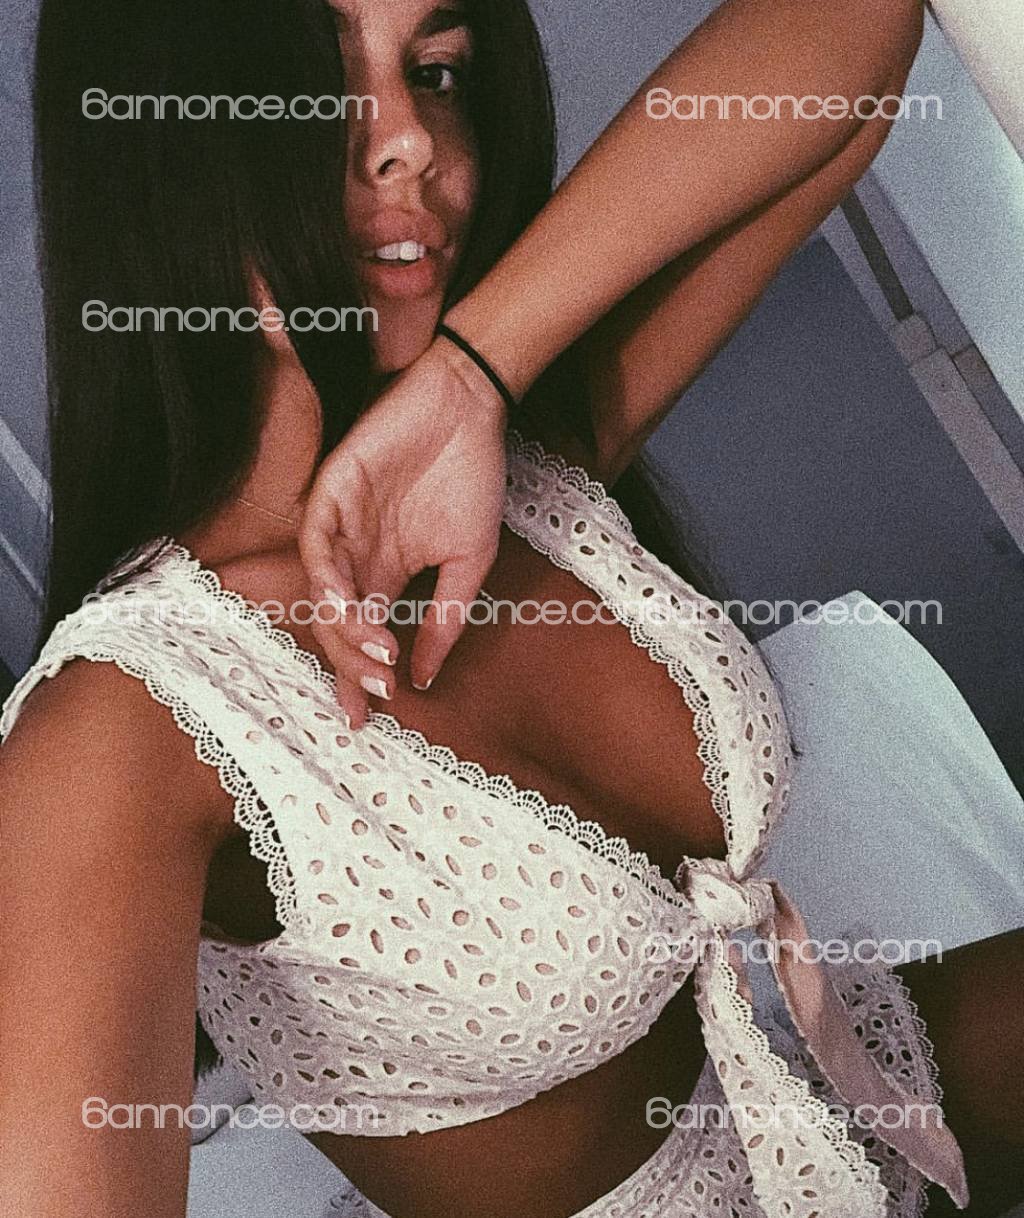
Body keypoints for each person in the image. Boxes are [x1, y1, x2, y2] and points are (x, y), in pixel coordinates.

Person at [1, 1, 1021, 1216]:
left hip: (805, 1102)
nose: (412, 141)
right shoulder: (121, 727)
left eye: (437, 71)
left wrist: (473, 375)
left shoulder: (517, 469)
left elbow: (858, 33)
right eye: (318, 81)